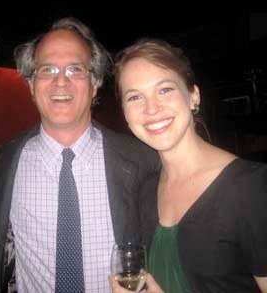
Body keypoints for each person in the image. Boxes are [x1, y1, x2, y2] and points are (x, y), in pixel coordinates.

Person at [0, 17, 159, 293]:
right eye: (48, 69)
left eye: (75, 70)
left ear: (95, 84)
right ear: (31, 85)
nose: (60, 82)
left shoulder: (143, 161)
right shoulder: (6, 160)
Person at [110, 38, 267, 292]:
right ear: (126, 115)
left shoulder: (252, 188)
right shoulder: (146, 191)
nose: (151, 109)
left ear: (194, 96)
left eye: (165, 90)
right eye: (135, 97)